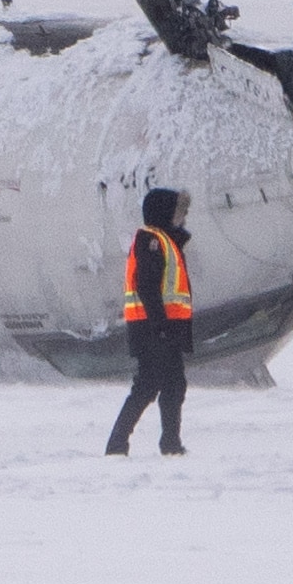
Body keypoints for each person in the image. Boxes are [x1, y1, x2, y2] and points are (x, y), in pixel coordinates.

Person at [103, 187, 195, 457]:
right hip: (155, 328)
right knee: (152, 385)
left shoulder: (165, 241)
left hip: (160, 327)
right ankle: (128, 443)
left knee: (165, 384)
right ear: (165, 213)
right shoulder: (152, 240)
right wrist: (161, 324)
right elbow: (147, 285)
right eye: (179, 212)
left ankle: (163, 442)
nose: (183, 218)